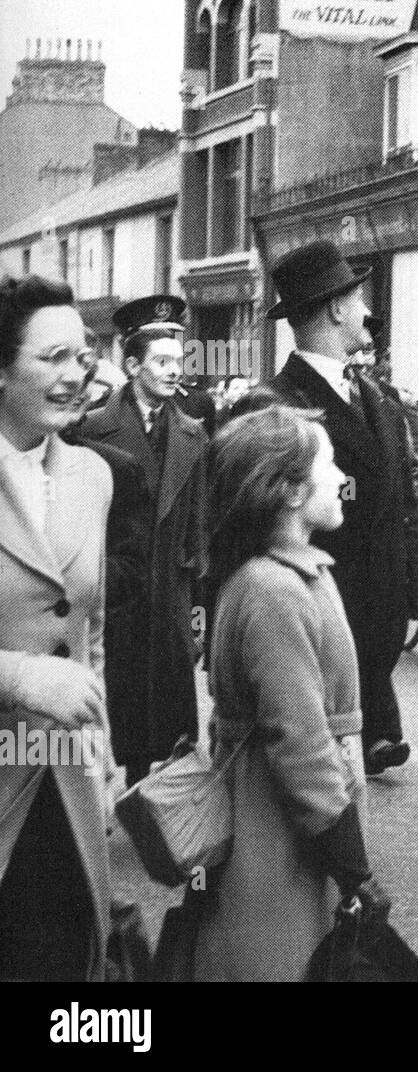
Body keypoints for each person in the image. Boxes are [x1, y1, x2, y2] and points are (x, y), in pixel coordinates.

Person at [193, 405, 389, 979]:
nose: (340, 479)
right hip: (275, 830)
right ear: (289, 492)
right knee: (278, 962)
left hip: (290, 823)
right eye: (328, 465)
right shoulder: (273, 590)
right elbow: (299, 745)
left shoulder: (292, 575)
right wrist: (353, 868)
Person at [264, 240, 418, 776]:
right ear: (334, 308)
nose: (368, 313)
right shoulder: (275, 406)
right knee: (319, 774)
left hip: (377, 622)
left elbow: (402, 502)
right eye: (358, 300)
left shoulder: (377, 400)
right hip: (320, 619)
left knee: (348, 778)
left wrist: (415, 580)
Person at [0, 275, 114, 979]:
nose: (77, 376)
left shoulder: (92, 476)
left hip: (64, 785)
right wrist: (19, 675)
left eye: (85, 355)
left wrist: (101, 753)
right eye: (54, 358)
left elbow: (88, 631)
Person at [79, 294, 208, 786]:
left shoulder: (194, 434)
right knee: (118, 695)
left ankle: (163, 801)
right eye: (161, 362)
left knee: (170, 708)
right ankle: (109, 788)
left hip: (169, 594)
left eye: (179, 362)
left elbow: (199, 530)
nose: (174, 372)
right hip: (117, 588)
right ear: (133, 366)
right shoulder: (92, 429)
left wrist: (196, 609)